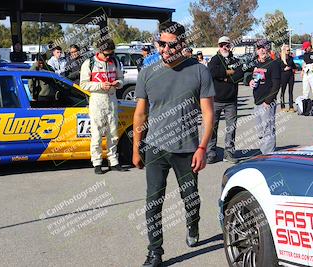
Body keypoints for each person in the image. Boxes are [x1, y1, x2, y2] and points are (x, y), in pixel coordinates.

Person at [132, 21, 214, 267]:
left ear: (183, 44)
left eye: (171, 44)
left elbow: (208, 114)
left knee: (191, 198)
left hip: (187, 149)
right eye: (161, 44)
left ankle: (192, 223)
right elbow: (140, 114)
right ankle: (155, 252)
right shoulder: (147, 72)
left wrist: (202, 148)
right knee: (153, 202)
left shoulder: (199, 71)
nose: (165, 49)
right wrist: (137, 147)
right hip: (156, 148)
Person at [80, 39, 126, 174]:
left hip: (112, 99)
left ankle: (114, 161)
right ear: (99, 51)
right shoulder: (89, 63)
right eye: (106, 55)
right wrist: (100, 85)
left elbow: (121, 78)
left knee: (113, 133)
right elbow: (83, 85)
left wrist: (118, 83)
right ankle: (97, 162)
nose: (108, 57)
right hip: (97, 99)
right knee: (97, 133)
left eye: (110, 54)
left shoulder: (115, 61)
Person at [206, 36, 243, 164]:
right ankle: (211, 153)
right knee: (212, 127)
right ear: (219, 46)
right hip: (215, 99)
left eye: (226, 45)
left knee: (231, 128)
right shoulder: (215, 59)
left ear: (230, 45)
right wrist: (229, 72)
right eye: (222, 45)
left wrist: (224, 77)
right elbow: (212, 72)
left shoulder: (236, 60)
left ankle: (229, 152)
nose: (224, 47)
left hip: (231, 101)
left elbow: (240, 75)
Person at [248, 40, 281, 154]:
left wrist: (268, 101)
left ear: (267, 49)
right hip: (257, 101)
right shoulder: (255, 63)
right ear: (256, 50)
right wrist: (249, 81)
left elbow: (276, 85)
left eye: (263, 48)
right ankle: (263, 151)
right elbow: (246, 76)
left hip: (267, 102)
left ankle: (268, 154)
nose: (261, 50)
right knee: (260, 130)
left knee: (268, 129)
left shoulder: (273, 63)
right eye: (259, 48)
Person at [279, 44, 297, 112]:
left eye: (289, 50)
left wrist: (293, 68)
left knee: (290, 91)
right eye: (287, 50)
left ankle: (291, 106)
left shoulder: (291, 57)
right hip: (283, 76)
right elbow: (277, 68)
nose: (289, 51)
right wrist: (284, 69)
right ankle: (282, 106)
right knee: (282, 91)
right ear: (284, 50)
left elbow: (294, 66)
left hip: (291, 76)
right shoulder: (280, 59)